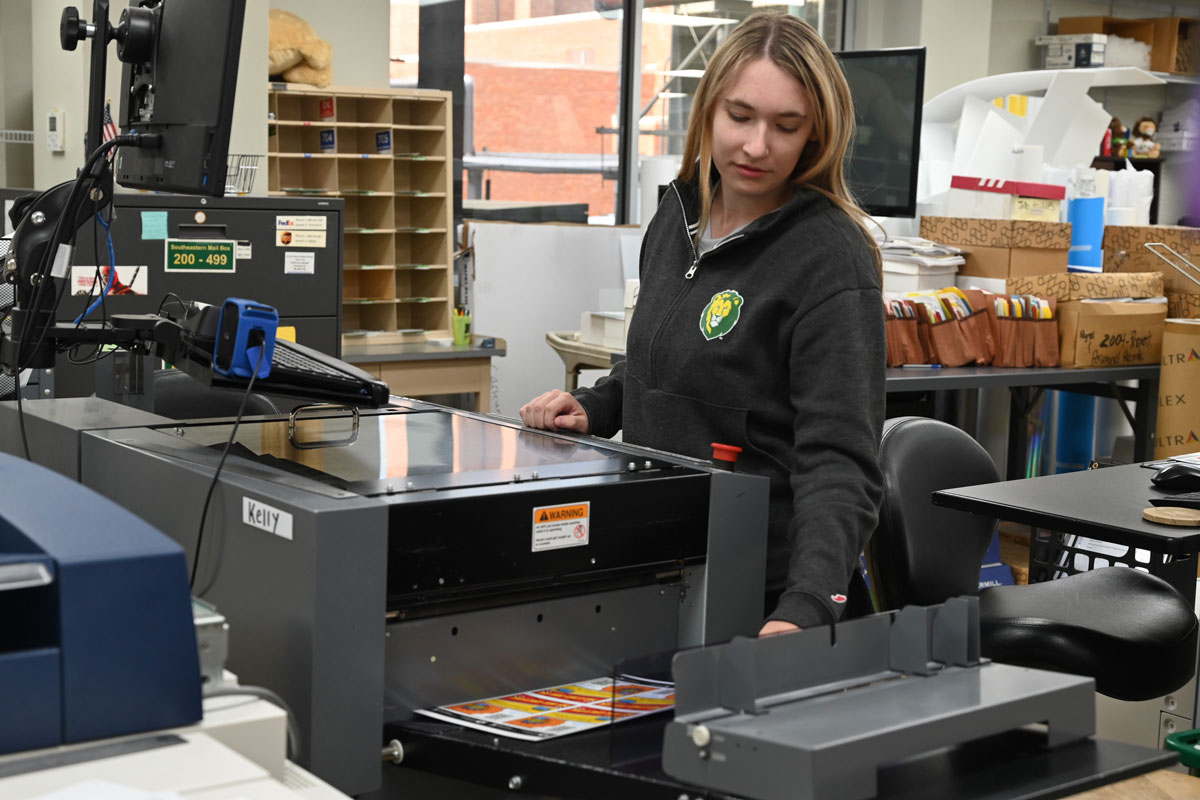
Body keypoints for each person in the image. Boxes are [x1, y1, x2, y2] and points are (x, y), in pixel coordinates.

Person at [519, 12, 885, 636]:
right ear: (709, 110)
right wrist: (598, 405)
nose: (756, 146)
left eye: (786, 126)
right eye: (740, 117)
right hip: (661, 565)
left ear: (816, 135)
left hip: (762, 595)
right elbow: (660, 357)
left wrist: (806, 607)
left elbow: (840, 461)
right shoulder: (677, 216)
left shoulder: (830, 258)